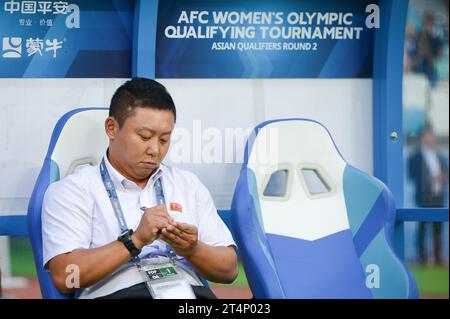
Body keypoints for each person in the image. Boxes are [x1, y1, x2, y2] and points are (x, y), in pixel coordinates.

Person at [42, 78, 238, 299]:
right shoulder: (74, 190)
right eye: (144, 137)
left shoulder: (187, 184)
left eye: (164, 139)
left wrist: (192, 249)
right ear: (111, 128)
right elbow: (66, 278)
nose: (154, 150)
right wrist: (134, 241)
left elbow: (229, 271)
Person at [408, 124, 448, 265]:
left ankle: (438, 258)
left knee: (438, 229)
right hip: (424, 198)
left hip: (438, 197)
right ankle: (422, 258)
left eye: (432, 135)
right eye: (427, 135)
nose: (430, 138)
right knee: (423, 228)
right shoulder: (415, 157)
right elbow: (412, 175)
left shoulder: (439, 156)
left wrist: (443, 177)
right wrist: (431, 179)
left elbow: (445, 173)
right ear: (422, 137)